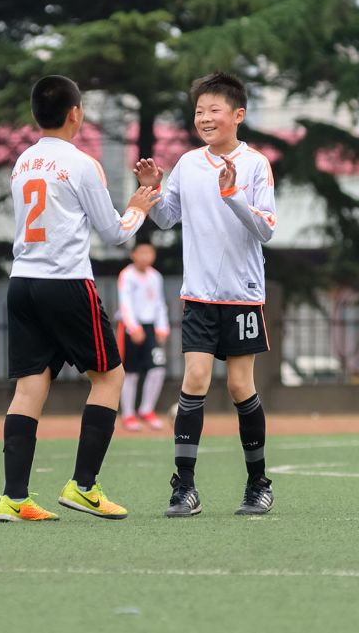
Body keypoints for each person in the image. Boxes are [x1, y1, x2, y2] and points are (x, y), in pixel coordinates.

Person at [0, 75, 159, 522]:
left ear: (36, 115)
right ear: (75, 114)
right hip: (65, 282)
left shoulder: (22, 163)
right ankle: (83, 487)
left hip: (22, 282)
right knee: (109, 378)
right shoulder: (82, 164)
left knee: (30, 386)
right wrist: (138, 208)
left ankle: (13, 498)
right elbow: (114, 233)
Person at [134, 71, 276, 517]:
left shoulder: (255, 164)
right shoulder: (189, 163)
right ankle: (185, 486)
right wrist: (153, 188)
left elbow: (266, 229)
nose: (205, 118)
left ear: (238, 114)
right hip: (198, 295)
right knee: (193, 380)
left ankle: (258, 484)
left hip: (242, 295)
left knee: (239, 385)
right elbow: (166, 218)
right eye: (199, 111)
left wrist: (232, 194)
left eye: (215, 110)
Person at [116, 242, 170, 431]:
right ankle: (128, 414)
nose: (146, 257)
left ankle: (147, 410)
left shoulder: (156, 276)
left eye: (149, 253)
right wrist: (133, 327)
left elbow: (160, 303)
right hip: (131, 328)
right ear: (133, 255)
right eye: (142, 253)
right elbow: (125, 302)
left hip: (151, 327)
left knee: (158, 369)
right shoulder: (127, 275)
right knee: (131, 372)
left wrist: (162, 327)